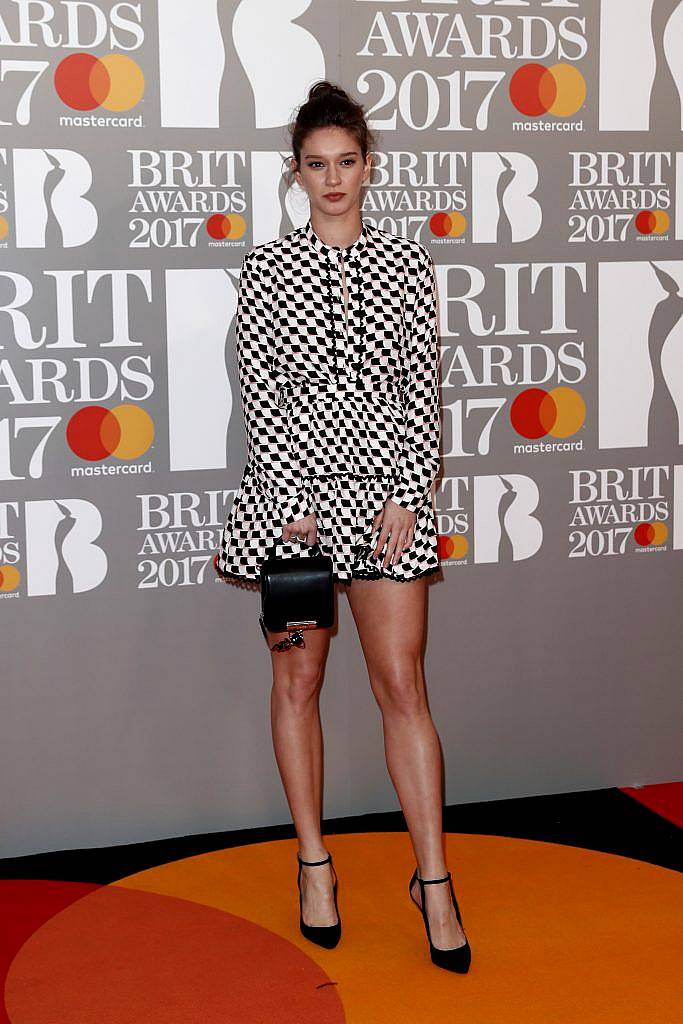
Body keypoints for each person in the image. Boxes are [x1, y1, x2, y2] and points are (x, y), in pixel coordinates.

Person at [216, 80, 471, 973]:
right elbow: (262, 391)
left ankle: (432, 879)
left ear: (369, 167)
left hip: (386, 499)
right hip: (293, 502)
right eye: (316, 165)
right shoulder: (267, 268)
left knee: (402, 685)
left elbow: (416, 393)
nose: (333, 179)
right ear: (296, 173)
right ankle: (314, 863)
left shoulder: (406, 264)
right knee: (300, 684)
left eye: (347, 163)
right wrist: (290, 499)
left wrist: (407, 491)